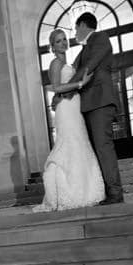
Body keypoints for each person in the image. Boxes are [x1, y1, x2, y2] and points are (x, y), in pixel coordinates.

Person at [34, 28, 106, 212]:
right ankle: (65, 192)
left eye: (64, 39)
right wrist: (80, 83)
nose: (63, 43)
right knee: (69, 143)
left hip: (75, 106)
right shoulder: (55, 63)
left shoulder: (68, 63)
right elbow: (57, 87)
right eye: (58, 41)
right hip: (65, 109)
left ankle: (83, 191)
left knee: (80, 142)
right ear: (52, 46)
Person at [71, 12, 125, 204]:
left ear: (83, 25)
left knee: (103, 148)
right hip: (88, 104)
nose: (75, 33)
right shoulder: (83, 49)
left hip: (100, 101)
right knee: (97, 150)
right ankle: (106, 191)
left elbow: (89, 66)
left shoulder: (100, 38)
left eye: (76, 28)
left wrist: (65, 89)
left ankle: (115, 193)